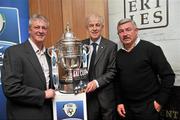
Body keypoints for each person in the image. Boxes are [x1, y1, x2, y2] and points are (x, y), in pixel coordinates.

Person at [115, 18, 175, 120]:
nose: (125, 34)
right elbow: (117, 81)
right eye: (121, 31)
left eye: (128, 29)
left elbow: (168, 76)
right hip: (127, 109)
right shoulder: (118, 55)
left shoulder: (151, 49)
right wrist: (119, 102)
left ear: (136, 31)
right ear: (119, 35)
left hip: (148, 108)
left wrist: (160, 101)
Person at [1, 14, 55, 120]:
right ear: (29, 30)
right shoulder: (14, 52)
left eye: (44, 28)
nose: (41, 31)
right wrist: (42, 95)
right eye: (37, 27)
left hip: (48, 114)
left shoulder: (50, 55)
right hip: (24, 115)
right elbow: (11, 89)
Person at [82, 13, 117, 120]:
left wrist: (96, 83)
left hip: (105, 98)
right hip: (87, 97)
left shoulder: (111, 46)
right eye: (91, 25)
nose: (94, 28)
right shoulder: (80, 45)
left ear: (102, 27)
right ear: (87, 28)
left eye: (97, 25)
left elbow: (112, 71)